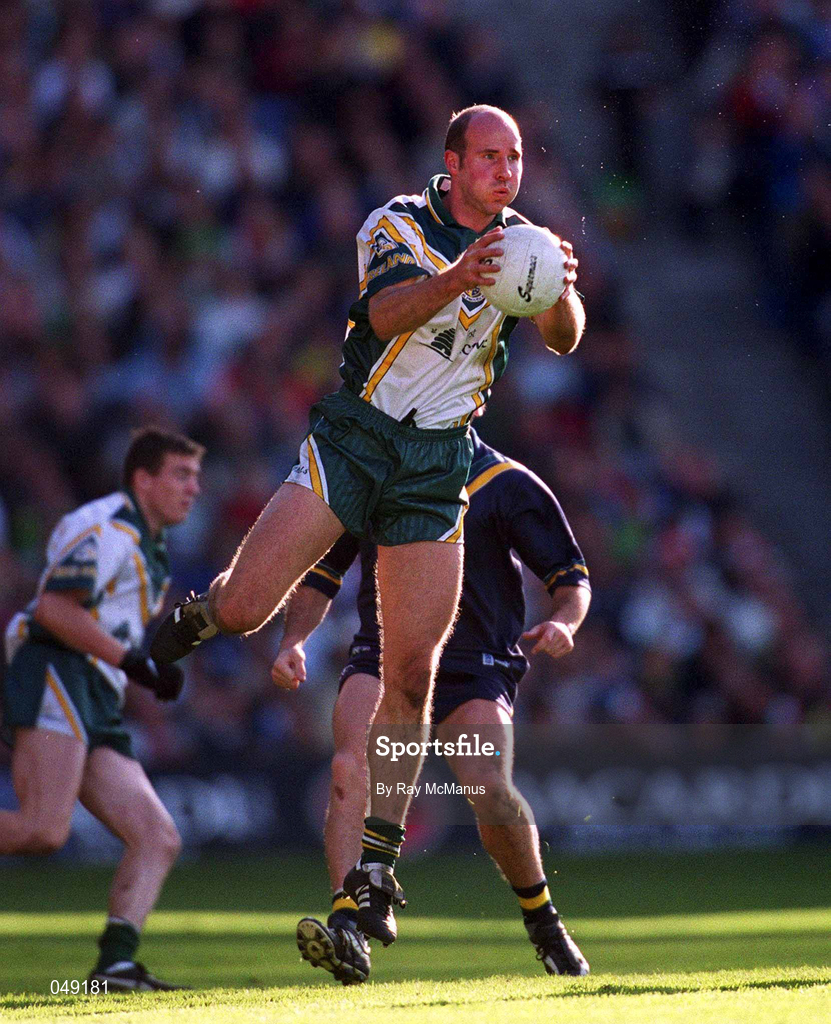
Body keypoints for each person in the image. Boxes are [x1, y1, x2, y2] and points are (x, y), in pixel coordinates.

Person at [150, 104, 585, 944]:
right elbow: (383, 315)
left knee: (411, 674)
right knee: (246, 609)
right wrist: (463, 277)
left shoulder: (522, 239)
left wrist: (559, 286)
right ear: (450, 164)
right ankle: (198, 616)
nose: (506, 171)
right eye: (488, 157)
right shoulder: (395, 224)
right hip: (358, 438)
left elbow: (564, 340)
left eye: (516, 157)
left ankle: (370, 882)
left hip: (436, 461)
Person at [274, 429, 591, 983]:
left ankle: (542, 921)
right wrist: (292, 641)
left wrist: (565, 622)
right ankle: (348, 923)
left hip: (473, 669)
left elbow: (571, 578)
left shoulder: (506, 482)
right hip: (385, 654)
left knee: (488, 787)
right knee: (350, 768)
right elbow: (321, 575)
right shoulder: (373, 478)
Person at [1, 427, 203, 992]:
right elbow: (51, 611)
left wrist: (142, 666)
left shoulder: (149, 541)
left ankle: (113, 967)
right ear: (143, 479)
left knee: (157, 835)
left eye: (197, 477)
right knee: (43, 829)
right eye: (181, 475)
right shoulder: (111, 527)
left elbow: (105, 624)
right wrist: (137, 663)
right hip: (56, 669)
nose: (194, 489)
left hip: (92, 687)